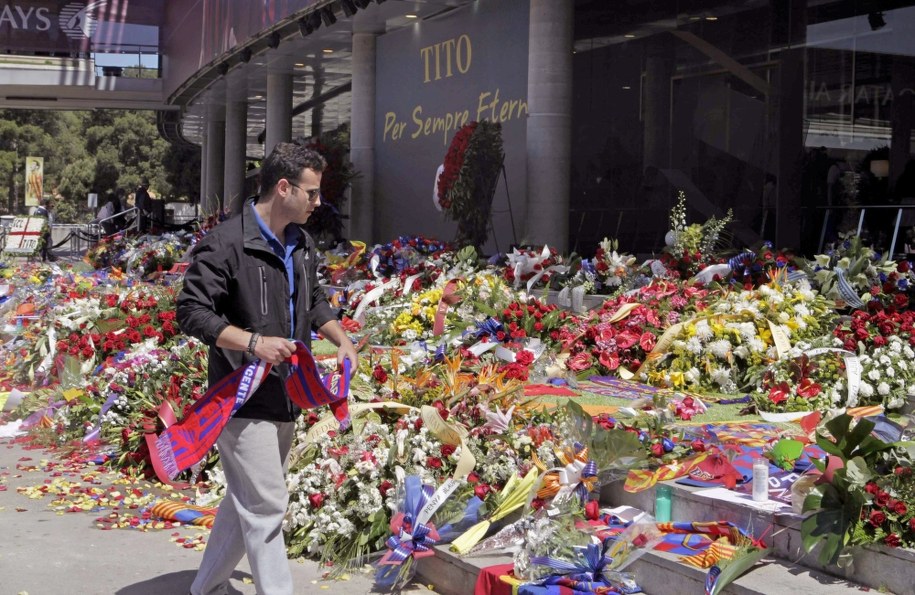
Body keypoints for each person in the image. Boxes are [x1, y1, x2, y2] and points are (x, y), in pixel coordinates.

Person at [176, 143, 358, 595]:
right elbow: (192, 312)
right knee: (267, 507)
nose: (318, 203)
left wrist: (342, 338)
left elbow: (313, 299)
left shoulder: (300, 242)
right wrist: (253, 343)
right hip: (239, 396)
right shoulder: (225, 243)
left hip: (287, 394)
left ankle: (205, 588)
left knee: (248, 504)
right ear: (283, 188)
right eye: (312, 193)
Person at [29, 197, 54, 261]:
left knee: (44, 244)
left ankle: (43, 257)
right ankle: (47, 257)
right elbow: (45, 222)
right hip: (43, 231)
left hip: (37, 230)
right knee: (48, 242)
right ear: (46, 204)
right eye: (48, 204)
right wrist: (47, 229)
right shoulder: (44, 211)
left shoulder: (36, 210)